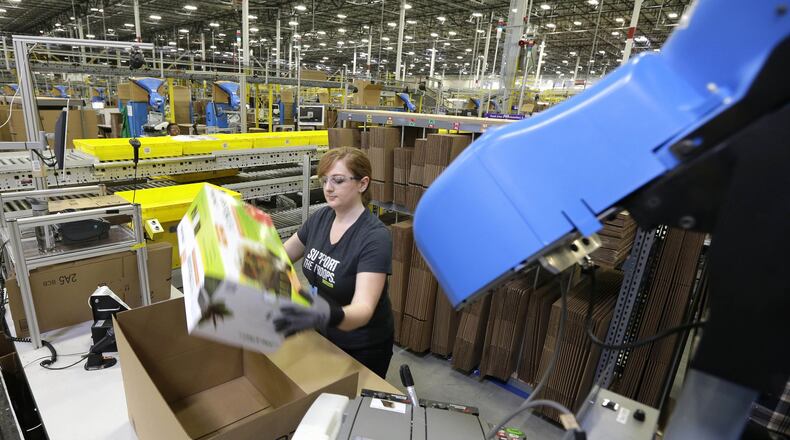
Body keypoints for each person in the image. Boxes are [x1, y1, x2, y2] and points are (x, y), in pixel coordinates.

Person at [275, 147, 394, 378]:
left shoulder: (374, 238)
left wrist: (326, 315)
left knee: (349, 407)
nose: (328, 188)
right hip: (323, 332)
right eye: (325, 180)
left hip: (361, 346)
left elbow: (363, 308)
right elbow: (280, 256)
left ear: (362, 183)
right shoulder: (320, 218)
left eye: (338, 180)